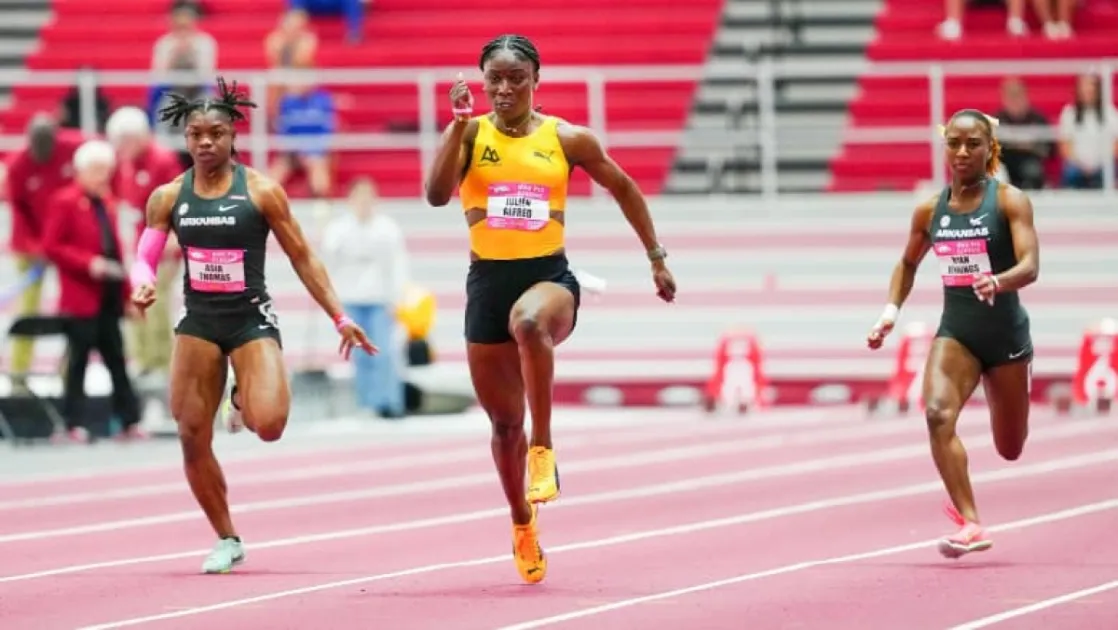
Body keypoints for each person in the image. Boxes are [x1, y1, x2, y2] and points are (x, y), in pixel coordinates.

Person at [423, 34, 677, 584]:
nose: (505, 87)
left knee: (531, 322)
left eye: (517, 77)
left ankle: (545, 447)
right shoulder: (468, 133)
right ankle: (521, 522)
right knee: (501, 425)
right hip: (487, 282)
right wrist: (456, 127)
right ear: (482, 81)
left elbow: (625, 187)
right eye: (495, 77)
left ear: (537, 79)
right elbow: (437, 195)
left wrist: (655, 257)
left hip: (548, 277)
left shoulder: (567, 138)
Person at [129, 77, 377, 574]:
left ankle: (240, 395)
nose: (204, 142)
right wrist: (143, 281)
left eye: (215, 133)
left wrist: (340, 316)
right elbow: (146, 252)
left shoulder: (262, 192)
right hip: (198, 320)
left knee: (270, 425)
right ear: (185, 138)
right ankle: (227, 536)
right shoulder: (168, 196)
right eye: (195, 134)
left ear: (232, 136)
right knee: (190, 433)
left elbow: (304, 258)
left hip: (250, 319)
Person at [866, 109, 1040, 559]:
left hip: (1005, 338)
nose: (962, 153)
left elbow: (1031, 265)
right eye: (954, 144)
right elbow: (907, 263)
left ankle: (1019, 381)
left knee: (1010, 448)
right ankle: (971, 522)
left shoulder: (1009, 201)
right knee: (937, 415)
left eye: (972, 144)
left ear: (989, 149)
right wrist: (890, 312)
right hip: (957, 333)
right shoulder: (930, 209)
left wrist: (999, 281)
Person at [42, 139, 141, 443]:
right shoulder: (65, 201)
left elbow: (116, 251)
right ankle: (72, 423)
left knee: (117, 361)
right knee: (78, 363)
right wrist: (88, 264)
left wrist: (128, 295)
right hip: (80, 298)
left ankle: (129, 421)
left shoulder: (107, 203)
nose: (103, 177)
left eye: (107, 171)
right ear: (81, 170)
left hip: (108, 297)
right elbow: (51, 246)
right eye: (98, 170)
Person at [321, 178, 409, 418]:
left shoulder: (387, 229)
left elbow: (398, 265)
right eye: (359, 198)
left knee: (385, 352)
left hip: (380, 298)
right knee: (359, 355)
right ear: (350, 200)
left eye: (368, 198)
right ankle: (366, 403)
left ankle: (389, 402)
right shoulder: (338, 230)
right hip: (350, 299)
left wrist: (397, 298)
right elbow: (327, 262)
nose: (364, 204)